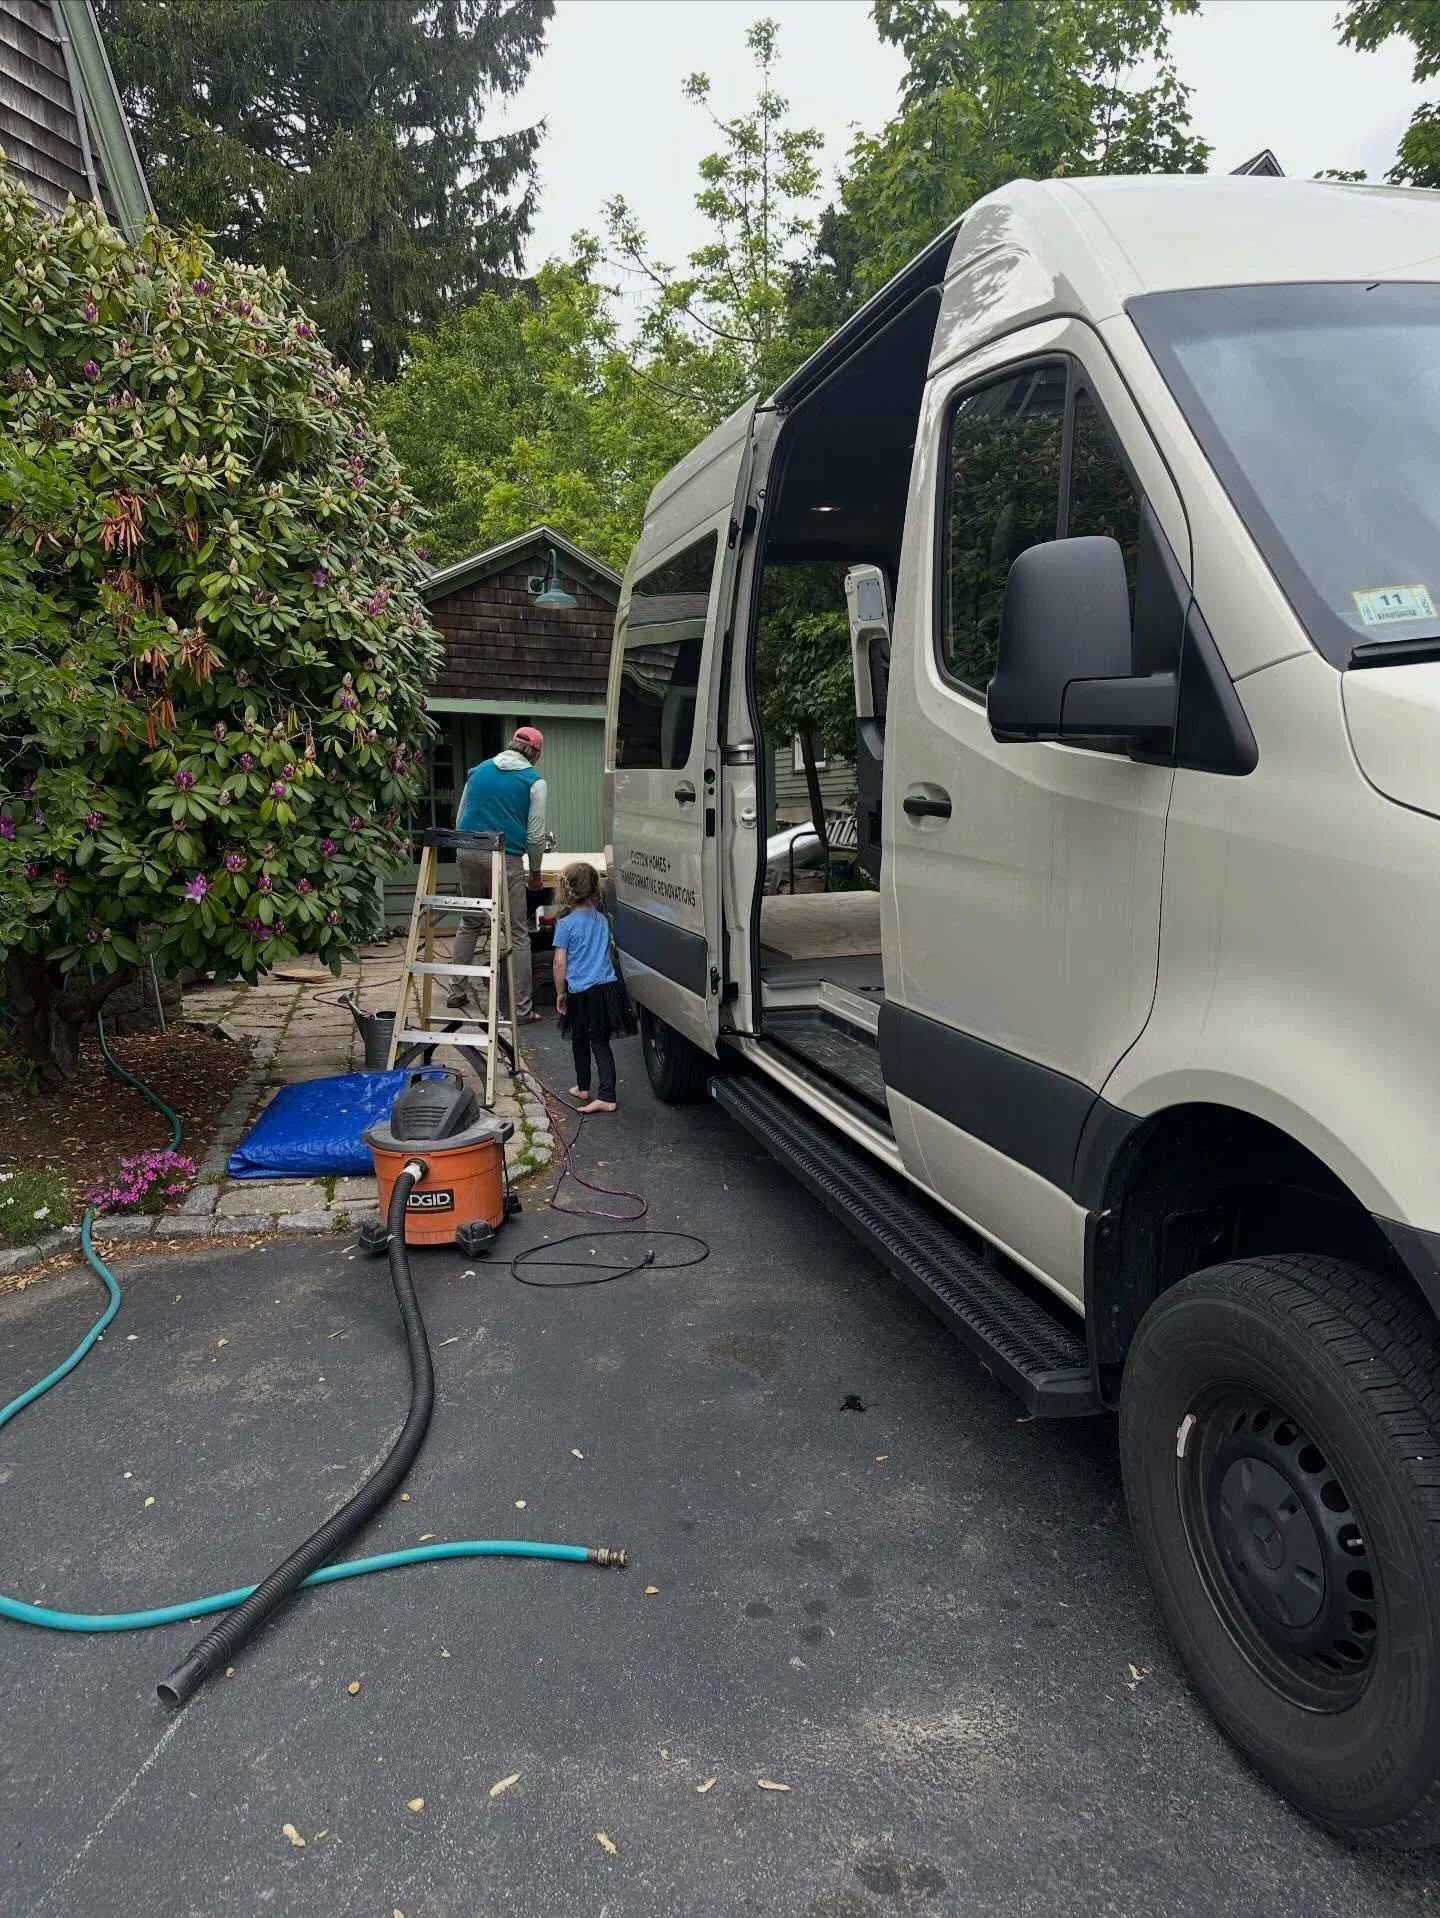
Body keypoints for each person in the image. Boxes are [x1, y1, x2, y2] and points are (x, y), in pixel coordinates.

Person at [448, 726, 546, 1021]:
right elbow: (536, 835)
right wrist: (536, 872)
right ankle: (522, 1009)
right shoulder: (534, 781)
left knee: (470, 921)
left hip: (467, 848)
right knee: (517, 932)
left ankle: (456, 991)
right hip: (506, 855)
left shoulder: (477, 772)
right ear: (536, 754)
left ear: (510, 745)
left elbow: (460, 816)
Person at [552, 861, 635, 1114]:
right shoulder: (601, 919)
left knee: (584, 1039)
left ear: (567, 891)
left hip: (581, 991)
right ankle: (585, 1087)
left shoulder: (565, 924)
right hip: (606, 987)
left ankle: (604, 1095)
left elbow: (559, 962)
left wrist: (560, 993)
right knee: (595, 1039)